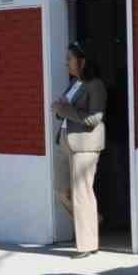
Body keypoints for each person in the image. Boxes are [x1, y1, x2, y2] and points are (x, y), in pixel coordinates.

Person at [52, 43, 107, 258]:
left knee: (82, 194)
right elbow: (64, 110)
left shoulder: (96, 85)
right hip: (65, 141)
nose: (67, 63)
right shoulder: (74, 83)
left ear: (82, 61)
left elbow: (94, 118)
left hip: (85, 144)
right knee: (61, 191)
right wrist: (59, 109)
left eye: (70, 59)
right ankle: (93, 221)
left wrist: (64, 109)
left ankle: (87, 244)